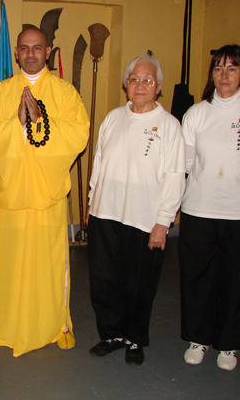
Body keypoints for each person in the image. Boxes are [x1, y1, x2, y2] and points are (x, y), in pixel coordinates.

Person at [0, 27, 89, 357]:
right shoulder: (1, 93)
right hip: (12, 195)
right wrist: (17, 123)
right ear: (15, 52)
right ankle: (4, 323)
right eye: (24, 48)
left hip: (47, 196)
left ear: (48, 51)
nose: (30, 54)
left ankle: (55, 325)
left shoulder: (65, 93)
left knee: (49, 266)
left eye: (37, 48)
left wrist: (42, 120)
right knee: (8, 265)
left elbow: (78, 134)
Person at [179, 44, 240, 371]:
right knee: (197, 278)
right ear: (212, 74)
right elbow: (188, 163)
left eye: (232, 68)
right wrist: (211, 187)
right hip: (198, 210)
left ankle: (229, 344)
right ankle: (198, 338)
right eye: (218, 68)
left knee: (238, 281)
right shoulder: (196, 113)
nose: (224, 74)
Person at [87, 52, 185, 365]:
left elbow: (175, 176)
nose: (140, 85)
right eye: (134, 79)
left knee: (139, 284)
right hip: (105, 213)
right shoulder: (113, 118)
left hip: (144, 219)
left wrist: (163, 222)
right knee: (103, 279)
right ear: (125, 84)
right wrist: (91, 204)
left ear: (159, 87)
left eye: (147, 80)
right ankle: (112, 334)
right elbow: (98, 163)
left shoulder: (169, 126)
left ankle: (134, 338)